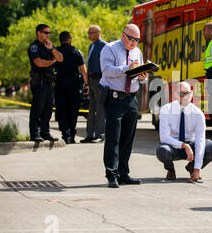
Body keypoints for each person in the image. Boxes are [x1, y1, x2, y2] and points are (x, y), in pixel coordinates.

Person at [99, 24, 148, 188]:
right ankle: (111, 174)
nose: (134, 43)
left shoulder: (137, 52)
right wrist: (128, 68)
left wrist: (143, 76)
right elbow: (107, 71)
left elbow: (141, 78)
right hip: (114, 98)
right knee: (113, 138)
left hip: (131, 99)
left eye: (137, 40)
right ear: (123, 36)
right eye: (132, 39)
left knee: (128, 139)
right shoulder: (110, 48)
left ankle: (123, 173)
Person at [156, 81, 212, 182]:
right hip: (173, 146)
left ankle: (191, 167)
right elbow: (164, 137)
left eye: (187, 93)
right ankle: (170, 169)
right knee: (162, 150)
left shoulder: (198, 114)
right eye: (181, 93)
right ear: (175, 94)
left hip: (192, 144)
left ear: (191, 94)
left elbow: (200, 140)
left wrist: (197, 168)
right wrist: (184, 145)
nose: (184, 97)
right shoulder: (166, 110)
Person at [28, 24, 63, 142]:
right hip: (39, 81)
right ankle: (35, 133)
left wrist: (52, 49)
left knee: (48, 108)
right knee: (38, 108)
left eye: (49, 32)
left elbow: (61, 58)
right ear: (38, 33)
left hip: (49, 81)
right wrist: (53, 61)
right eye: (45, 32)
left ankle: (45, 132)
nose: (48, 35)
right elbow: (39, 63)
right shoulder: (34, 46)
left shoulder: (49, 46)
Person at [54, 31, 88, 144]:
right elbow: (83, 70)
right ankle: (72, 134)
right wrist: (87, 84)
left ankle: (65, 134)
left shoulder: (56, 52)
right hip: (73, 84)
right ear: (69, 39)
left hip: (59, 83)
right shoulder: (76, 51)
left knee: (61, 109)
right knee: (73, 110)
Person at [81, 25, 107, 143]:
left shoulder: (105, 46)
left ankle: (100, 134)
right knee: (91, 108)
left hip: (100, 79)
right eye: (88, 33)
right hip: (91, 80)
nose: (89, 35)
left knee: (100, 108)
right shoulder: (91, 46)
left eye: (91, 33)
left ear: (98, 33)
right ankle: (90, 134)